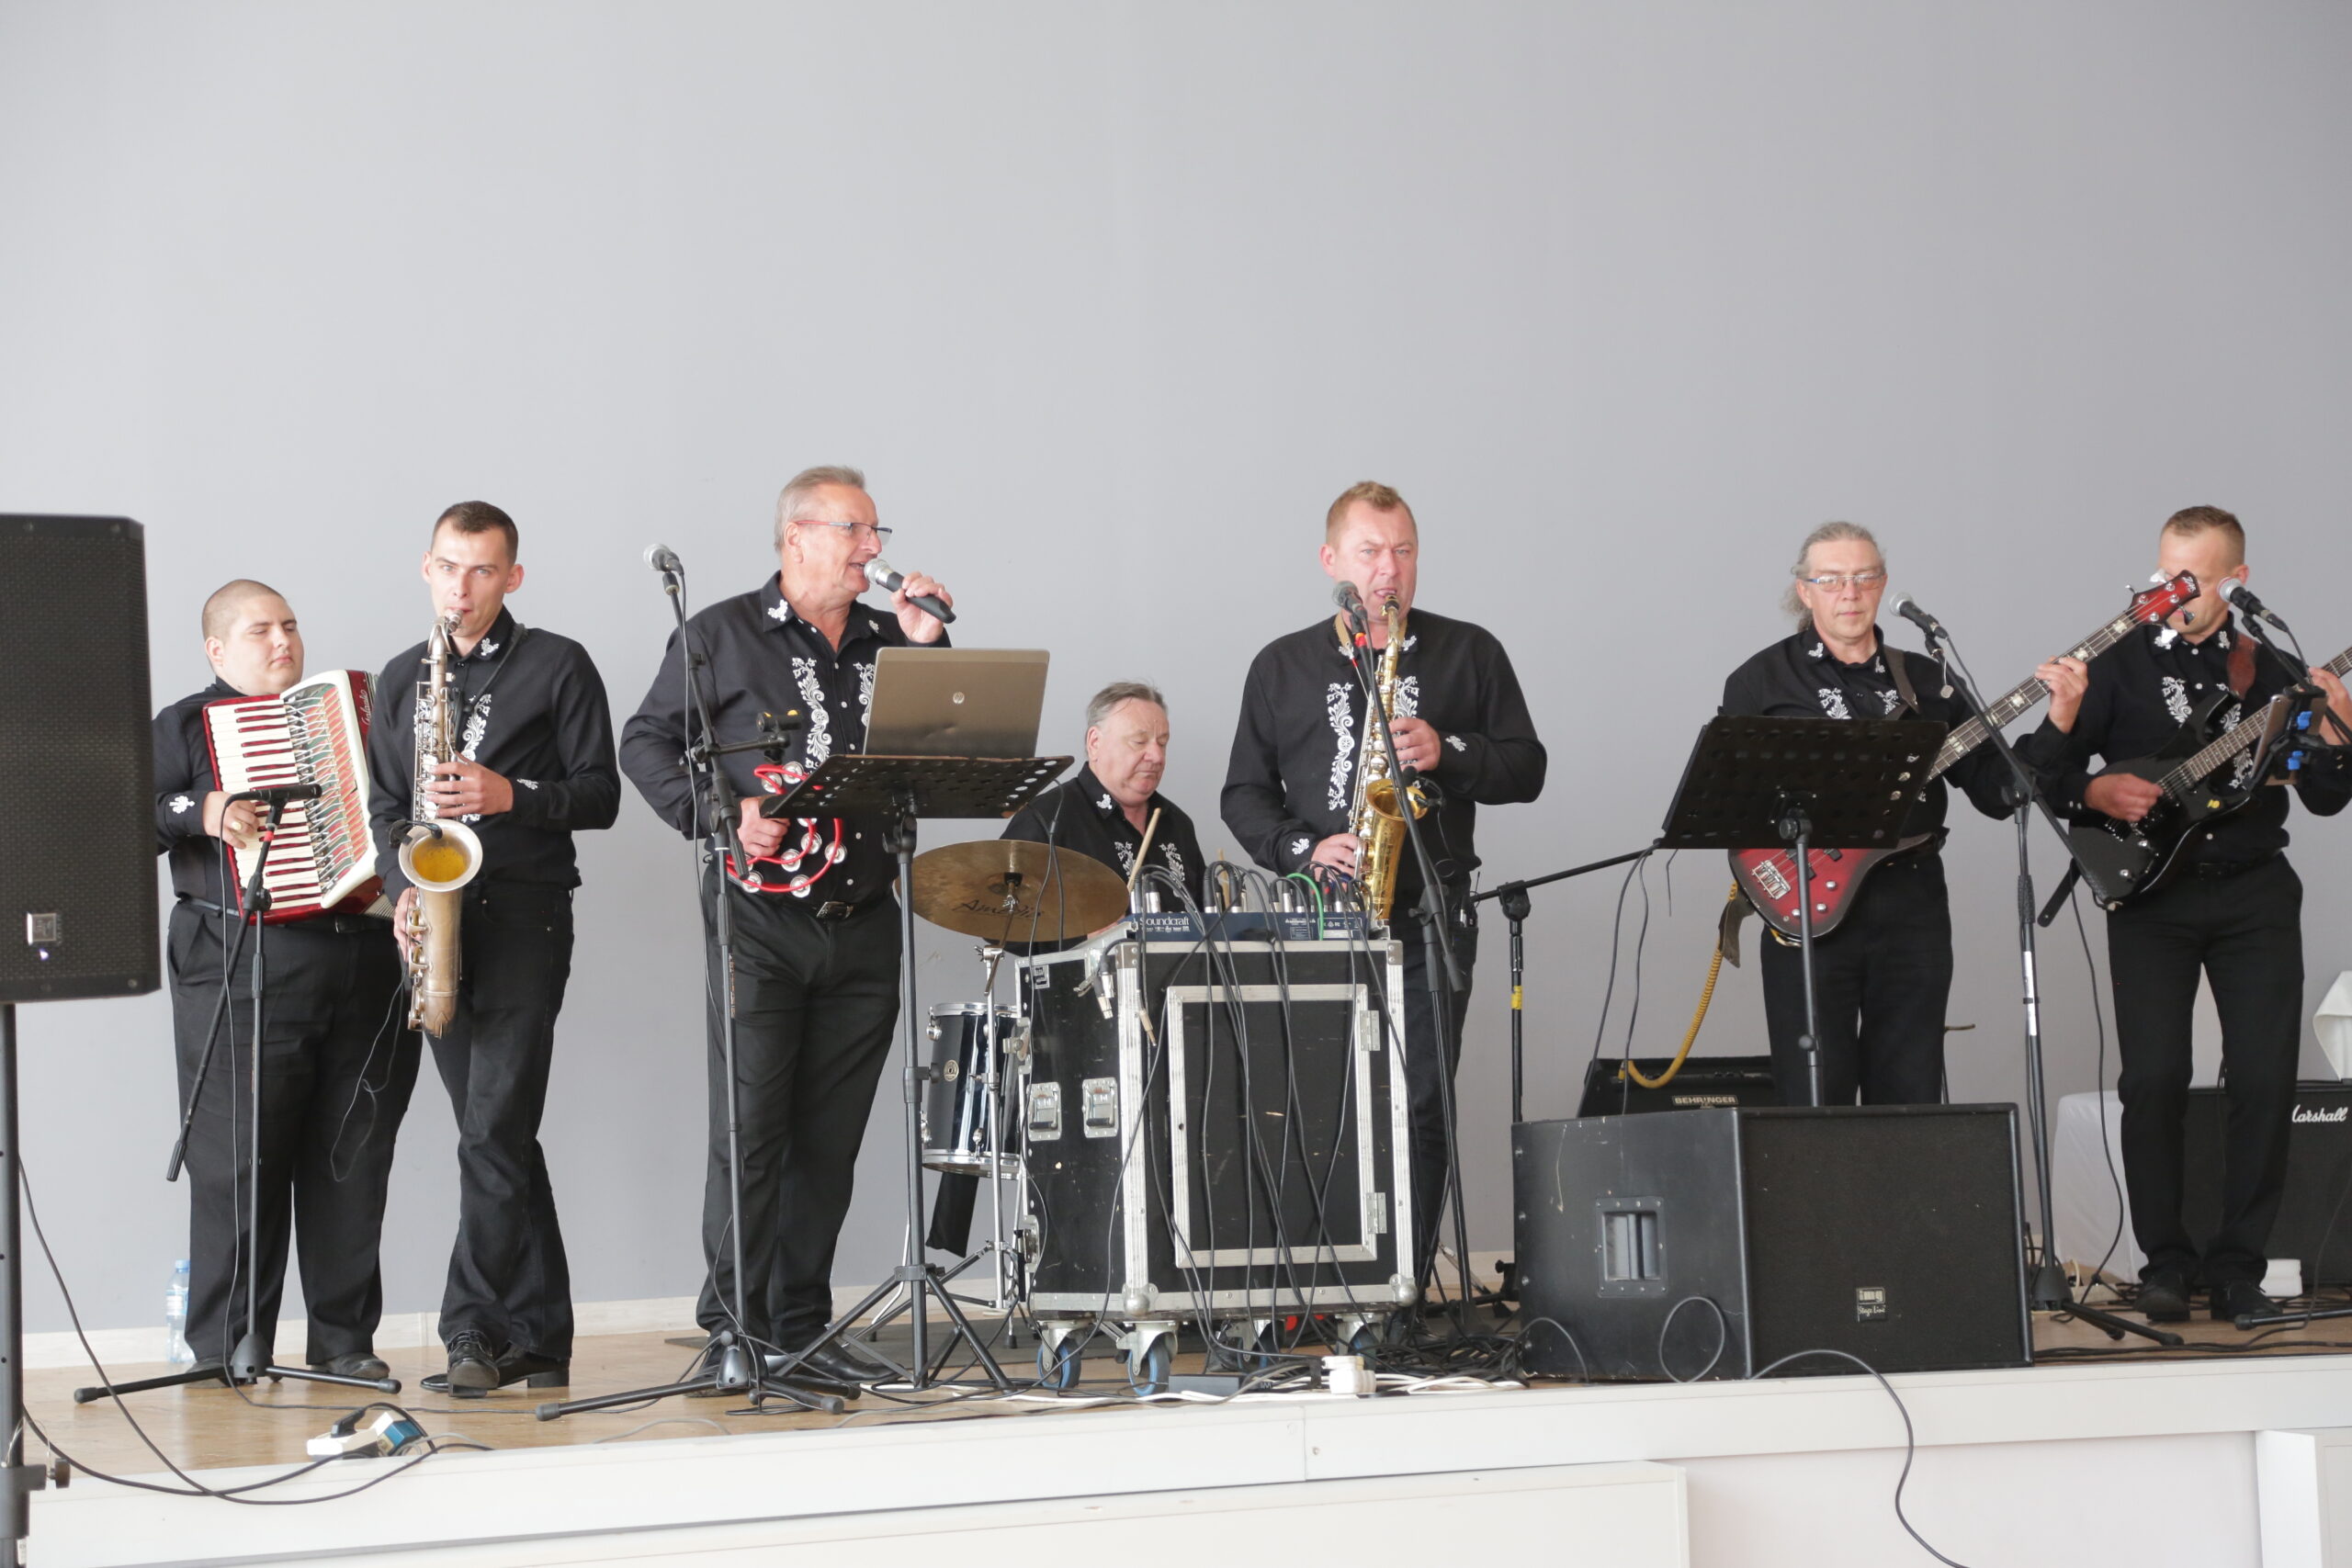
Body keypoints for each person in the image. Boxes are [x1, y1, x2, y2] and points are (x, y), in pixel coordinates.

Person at [618, 464, 954, 1388]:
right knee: (752, 1128)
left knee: (828, 1140)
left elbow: (942, 753)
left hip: (865, 916)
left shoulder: (890, 639)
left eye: (876, 533)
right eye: (856, 531)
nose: (873, 549)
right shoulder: (719, 634)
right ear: (797, 536)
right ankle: (735, 1328)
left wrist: (927, 649)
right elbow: (644, 742)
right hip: (760, 919)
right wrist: (720, 810)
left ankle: (799, 1327)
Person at [2024, 505, 2352, 1324]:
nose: (2175, 593)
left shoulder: (2273, 668)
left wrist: (2341, 727)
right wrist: (2095, 788)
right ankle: (2166, 1262)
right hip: (2151, 895)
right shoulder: (2118, 662)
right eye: (2166, 576)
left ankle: (2239, 1267)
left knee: (2265, 1079)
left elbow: (2326, 797)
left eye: (2194, 580)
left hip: (2254, 889)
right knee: (2154, 1077)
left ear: (2236, 580)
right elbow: (2043, 773)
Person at [1221, 480, 1545, 1282]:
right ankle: (1321, 1281)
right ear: (1331, 559)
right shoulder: (1281, 665)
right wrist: (1301, 847)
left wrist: (1449, 749)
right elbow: (1243, 794)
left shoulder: (1469, 650)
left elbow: (1527, 767)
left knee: (1422, 1101)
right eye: (1369, 551)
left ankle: (1404, 1283)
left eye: (1402, 550)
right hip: (1321, 916)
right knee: (1319, 1102)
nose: (1388, 569)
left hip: (1432, 913)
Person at [366, 502, 619, 1394]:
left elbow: (600, 794)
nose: (461, 587)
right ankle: (542, 1338)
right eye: (448, 567)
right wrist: (402, 889)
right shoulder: (401, 677)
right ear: (425, 568)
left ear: (512, 577)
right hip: (437, 918)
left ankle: (470, 1331)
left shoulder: (558, 663)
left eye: (481, 570)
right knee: (498, 1135)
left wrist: (509, 794)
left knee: (490, 1131)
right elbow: (385, 808)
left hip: (522, 917)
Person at [153, 581, 414, 1380]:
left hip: (363, 955)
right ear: (216, 649)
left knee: (352, 1155)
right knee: (238, 1157)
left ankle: (344, 1342)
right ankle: (227, 1347)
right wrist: (203, 810)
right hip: (240, 957)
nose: (283, 641)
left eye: (291, 626)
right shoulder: (183, 725)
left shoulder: (354, 715)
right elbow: (124, 812)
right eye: (260, 630)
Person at [1720, 522, 2012, 1108]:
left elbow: (1998, 794)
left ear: (1882, 584)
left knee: (1910, 1092)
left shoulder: (1927, 680)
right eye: (1831, 579)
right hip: (1808, 898)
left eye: (1863, 577)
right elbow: (1733, 801)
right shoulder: (1760, 680)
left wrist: (2061, 722)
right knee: (1814, 1097)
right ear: (1805, 591)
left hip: (1912, 900)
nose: (1849, 592)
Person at [1001, 680, 1207, 916]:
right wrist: (1083, 934)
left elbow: (1208, 917)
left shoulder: (1177, 824)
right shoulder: (1045, 819)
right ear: (1095, 743)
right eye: (1139, 742)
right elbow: (1003, 918)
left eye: (1162, 743)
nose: (1157, 756)